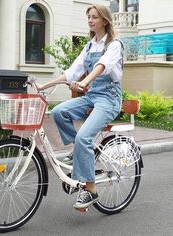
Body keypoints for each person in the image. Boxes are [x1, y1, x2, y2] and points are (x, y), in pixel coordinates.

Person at [37, 4, 124, 210]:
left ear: (105, 20)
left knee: (85, 136)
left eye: (94, 17)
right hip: (92, 96)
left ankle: (91, 190)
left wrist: (85, 82)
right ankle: (80, 150)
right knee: (59, 112)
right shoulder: (89, 46)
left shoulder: (114, 45)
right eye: (88, 17)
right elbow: (71, 72)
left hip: (109, 99)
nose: (90, 20)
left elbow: (103, 66)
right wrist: (44, 85)